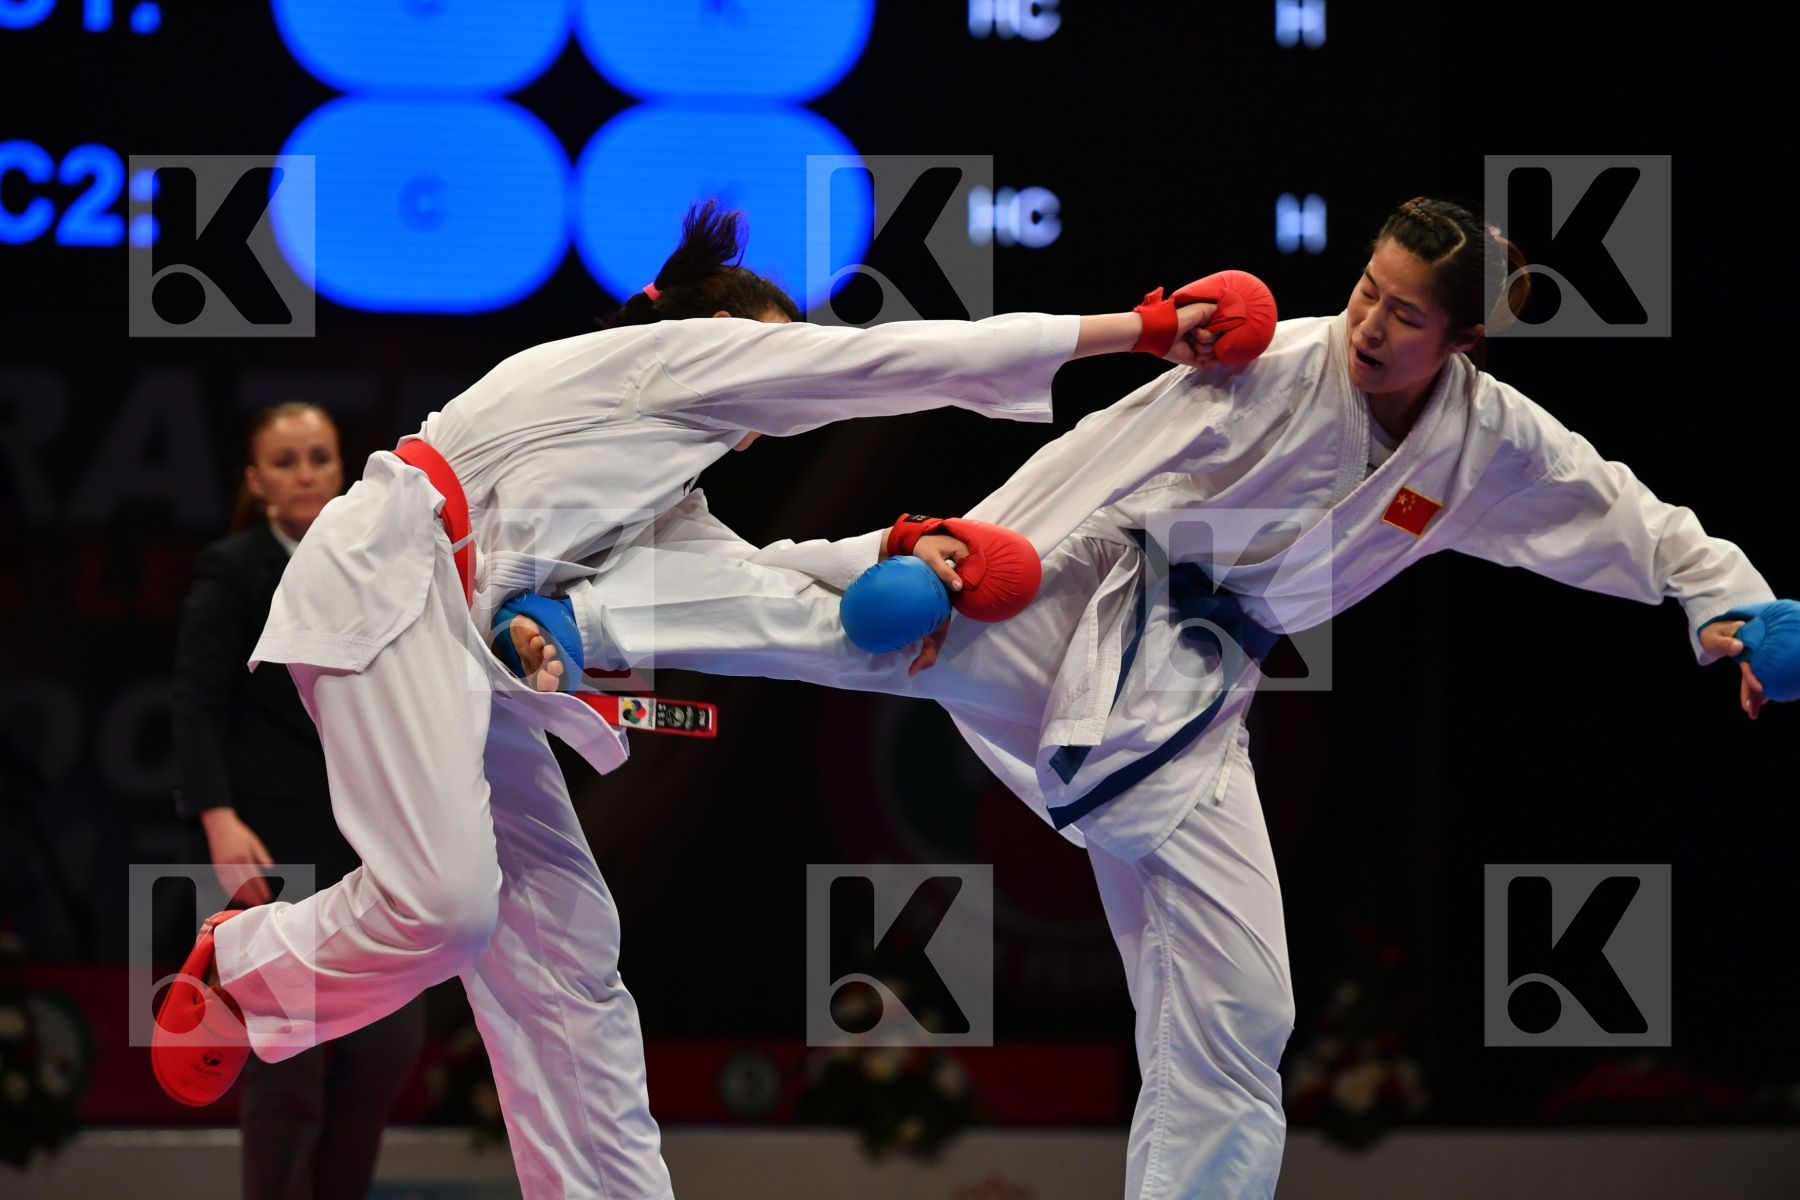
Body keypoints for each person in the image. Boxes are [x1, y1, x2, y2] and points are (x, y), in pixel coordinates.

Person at [514, 196, 1779, 1198]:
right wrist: (965, 553)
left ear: (1461, 343)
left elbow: (1626, 511)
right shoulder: (1272, 369)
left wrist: (1728, 605)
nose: (1369, 324)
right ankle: (579, 611)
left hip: (1192, 696)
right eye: (1365, 290)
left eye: (1405, 315)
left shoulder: (1486, 445)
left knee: (1243, 1005)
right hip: (1078, 594)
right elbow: (1101, 456)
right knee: (858, 613)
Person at [150, 199, 1218, 1200]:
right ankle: (244, 968)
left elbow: (763, 588)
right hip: (391, 579)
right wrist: (1137, 331)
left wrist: (900, 553)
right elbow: (892, 360)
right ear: (719, 333)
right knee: (446, 909)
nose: (782, 386)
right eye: (775, 353)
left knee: (563, 951)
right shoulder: (658, 358)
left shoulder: (662, 489)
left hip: (458, 639)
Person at [172, 403, 427, 1200]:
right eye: (284, 462)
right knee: (287, 1067)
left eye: (319, 456)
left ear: (344, 467)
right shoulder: (234, 569)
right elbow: (196, 702)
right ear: (256, 481)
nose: (306, 473)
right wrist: (217, 817)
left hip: (375, 840)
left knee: (381, 1053)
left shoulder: (375, 562)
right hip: (273, 847)